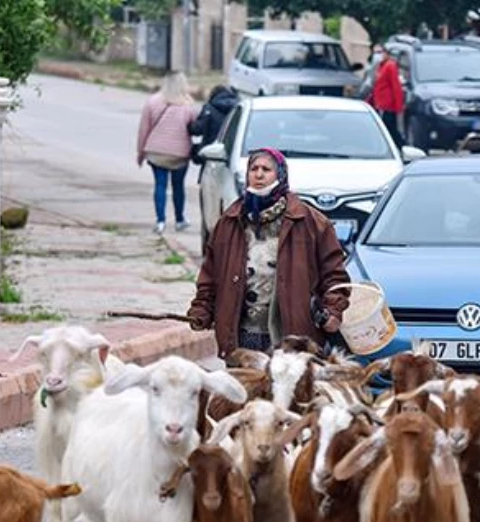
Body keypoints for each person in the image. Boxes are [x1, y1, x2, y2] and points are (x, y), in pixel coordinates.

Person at [187, 148, 351, 358]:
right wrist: (202, 309)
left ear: (280, 175)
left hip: (292, 339)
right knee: (245, 390)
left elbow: (334, 275)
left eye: (267, 169)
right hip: (243, 335)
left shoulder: (310, 222)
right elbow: (210, 275)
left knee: (285, 391)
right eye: (253, 169)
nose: (259, 174)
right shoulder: (229, 222)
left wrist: (333, 310)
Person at [136, 71, 197, 234]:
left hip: (156, 152)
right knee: (178, 187)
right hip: (179, 153)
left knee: (160, 185)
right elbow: (194, 128)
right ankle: (179, 219)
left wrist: (140, 153)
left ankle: (161, 221)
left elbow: (144, 130)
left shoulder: (152, 102)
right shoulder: (188, 104)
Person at [188, 84, 238, 165]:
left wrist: (189, 125)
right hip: (232, 151)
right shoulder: (238, 108)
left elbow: (198, 129)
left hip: (210, 151)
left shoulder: (210, 108)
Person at [370, 47, 405, 147]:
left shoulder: (390, 66)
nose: (378, 55)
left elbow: (396, 87)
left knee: (390, 129)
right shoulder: (380, 66)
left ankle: (401, 146)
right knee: (387, 129)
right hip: (380, 104)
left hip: (387, 106)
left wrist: (399, 107)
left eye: (380, 52)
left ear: (386, 53)